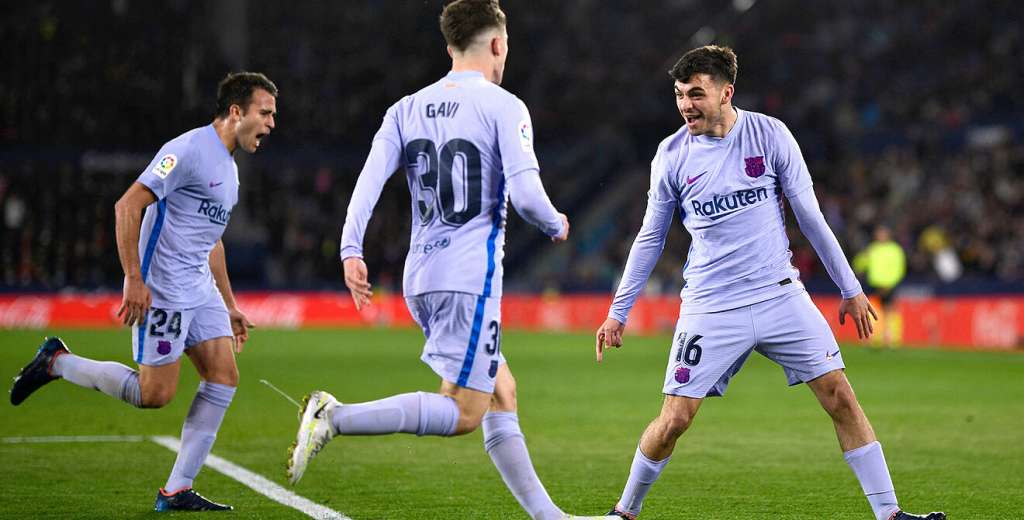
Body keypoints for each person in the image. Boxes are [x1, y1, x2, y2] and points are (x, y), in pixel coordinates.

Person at [285, 2, 611, 519]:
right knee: (464, 413)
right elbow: (528, 198)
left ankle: (549, 517)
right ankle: (334, 416)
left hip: (421, 277)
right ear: (498, 44)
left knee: (502, 391)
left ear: (450, 46)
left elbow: (368, 184)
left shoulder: (405, 108)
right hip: (468, 278)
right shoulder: (505, 106)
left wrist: (351, 249)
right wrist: (556, 223)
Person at [594, 46, 944, 520]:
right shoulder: (672, 155)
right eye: (678, 94)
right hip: (711, 306)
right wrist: (618, 312)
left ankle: (890, 514)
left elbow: (811, 218)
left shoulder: (771, 135)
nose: (685, 105)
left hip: (780, 295)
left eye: (695, 94)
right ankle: (624, 512)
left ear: (726, 92)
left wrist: (850, 288)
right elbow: (651, 238)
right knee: (675, 419)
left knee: (840, 396)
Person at [10, 72, 277, 512]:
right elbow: (128, 205)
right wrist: (134, 278)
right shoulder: (187, 150)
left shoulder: (230, 171)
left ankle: (176, 490)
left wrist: (229, 304)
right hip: (164, 288)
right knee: (153, 395)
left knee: (224, 375)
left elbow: (211, 241)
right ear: (236, 111)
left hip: (200, 288)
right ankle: (57, 362)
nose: (271, 123)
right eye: (265, 113)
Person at [854, 225, 907, 347]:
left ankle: (891, 338)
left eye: (883, 233)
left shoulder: (895, 250)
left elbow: (899, 269)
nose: (880, 235)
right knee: (871, 310)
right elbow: (859, 265)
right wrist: (862, 258)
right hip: (874, 285)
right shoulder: (872, 249)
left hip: (889, 285)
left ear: (888, 234)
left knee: (890, 311)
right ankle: (872, 337)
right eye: (879, 233)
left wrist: (890, 283)